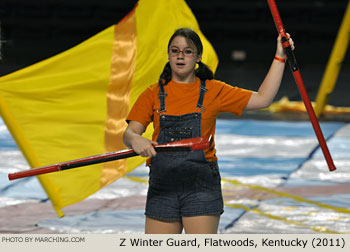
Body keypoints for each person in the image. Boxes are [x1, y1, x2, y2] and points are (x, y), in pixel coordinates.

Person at [123, 27, 294, 234]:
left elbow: (263, 99)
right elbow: (130, 133)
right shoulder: (152, 93)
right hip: (163, 186)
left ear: (198, 57)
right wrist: (135, 140)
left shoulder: (214, 90)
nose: (180, 56)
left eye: (187, 51)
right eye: (175, 51)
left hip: (201, 185)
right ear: (168, 55)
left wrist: (280, 56)